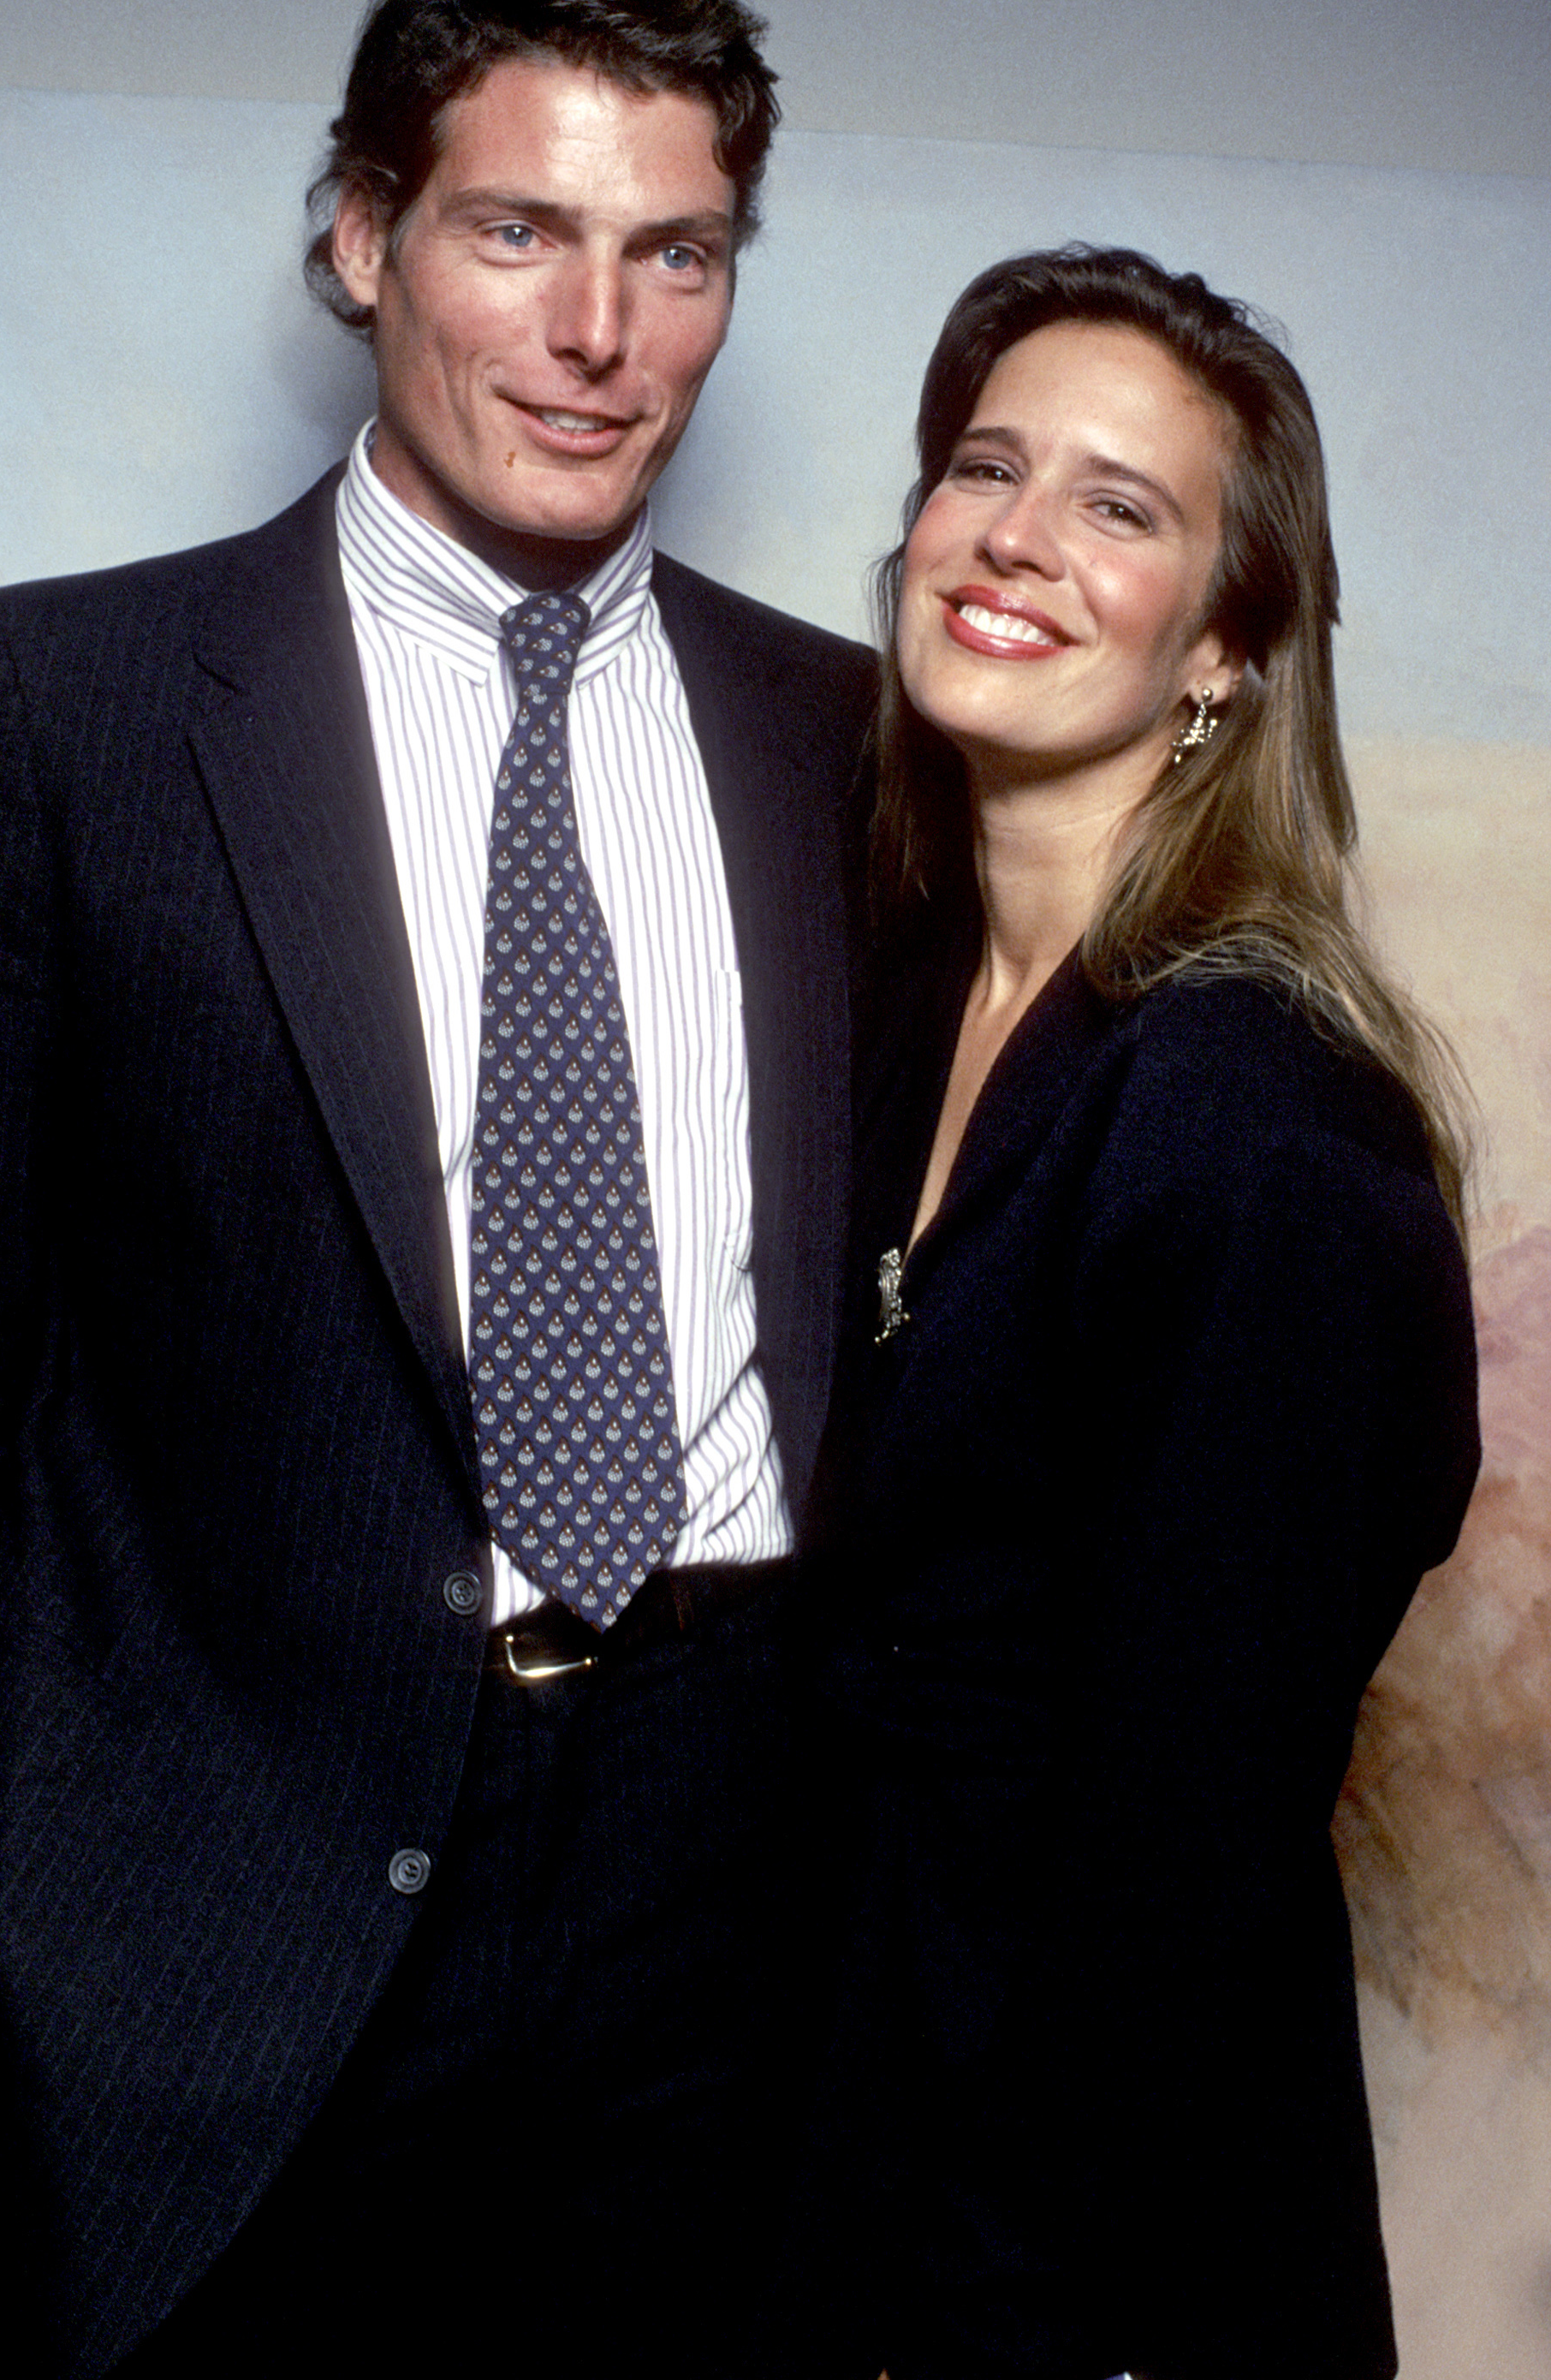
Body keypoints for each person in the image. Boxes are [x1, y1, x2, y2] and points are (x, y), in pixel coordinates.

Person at [0, 0, 873, 2378]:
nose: (595, 329)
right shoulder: (63, 704)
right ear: (359, 237)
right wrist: (13, 1900)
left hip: (726, 1868)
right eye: (514, 228)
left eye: (675, 252)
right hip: (222, 1904)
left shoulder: (849, 742)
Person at [801, 247, 1480, 2380]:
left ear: (1229, 651)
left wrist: (998, 2295)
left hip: (1084, 2263)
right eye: (985, 467)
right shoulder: (895, 1007)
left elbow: (1176, 1872)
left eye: (1122, 506)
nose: (1016, 535)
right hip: (845, 2158)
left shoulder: (1261, 1124)